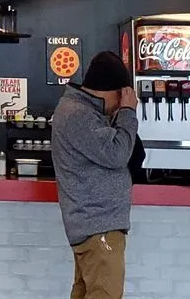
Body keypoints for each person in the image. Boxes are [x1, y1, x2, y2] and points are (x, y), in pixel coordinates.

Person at [51, 51, 141, 299]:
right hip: (98, 228)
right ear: (110, 90)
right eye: (120, 97)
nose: (119, 105)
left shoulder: (80, 111)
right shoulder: (78, 114)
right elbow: (117, 154)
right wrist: (128, 112)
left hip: (95, 227)